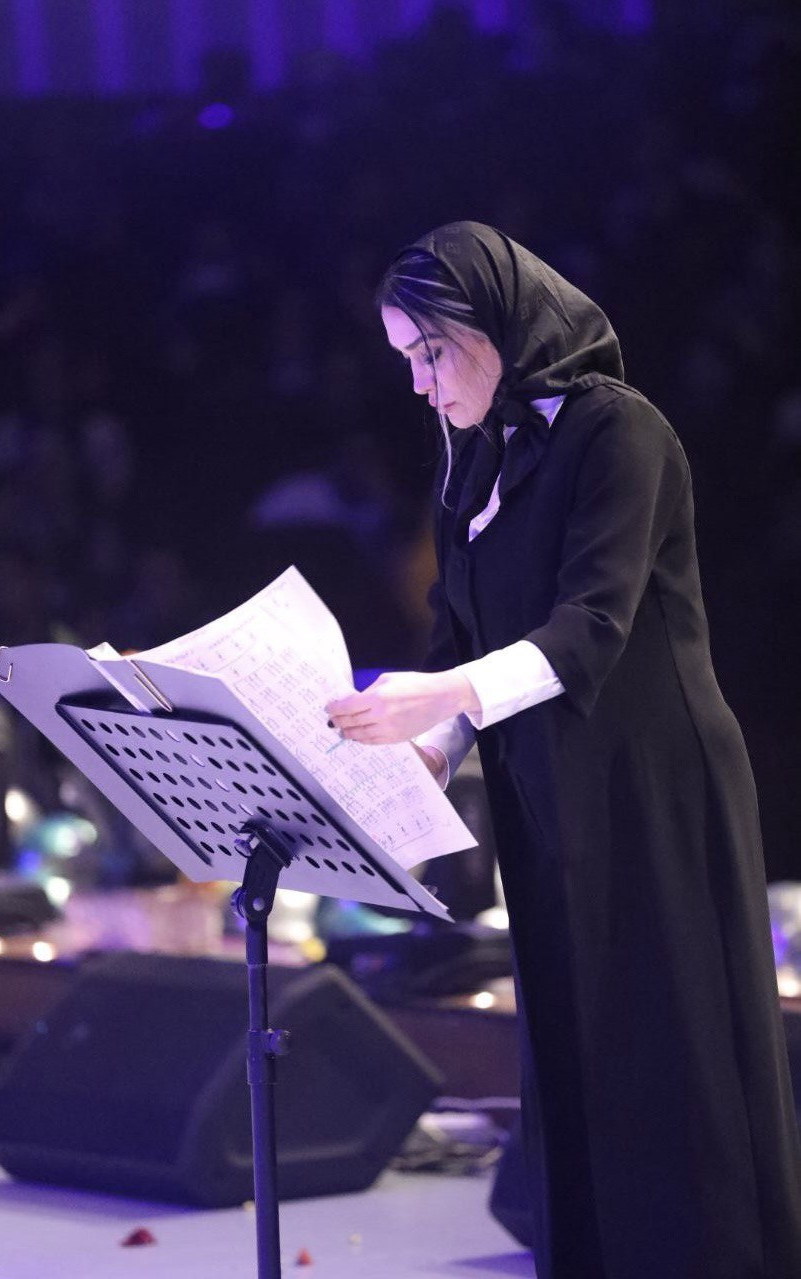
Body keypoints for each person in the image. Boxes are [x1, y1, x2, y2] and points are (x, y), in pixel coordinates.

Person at [326, 221, 801, 1279]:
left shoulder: (618, 429)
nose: (419, 383)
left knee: (671, 1043)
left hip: (652, 779)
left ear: (496, 324)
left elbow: (591, 626)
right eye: (404, 358)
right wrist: (428, 751)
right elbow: (459, 635)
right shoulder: (466, 453)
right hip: (545, 786)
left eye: (430, 351)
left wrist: (438, 698)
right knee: (574, 1046)